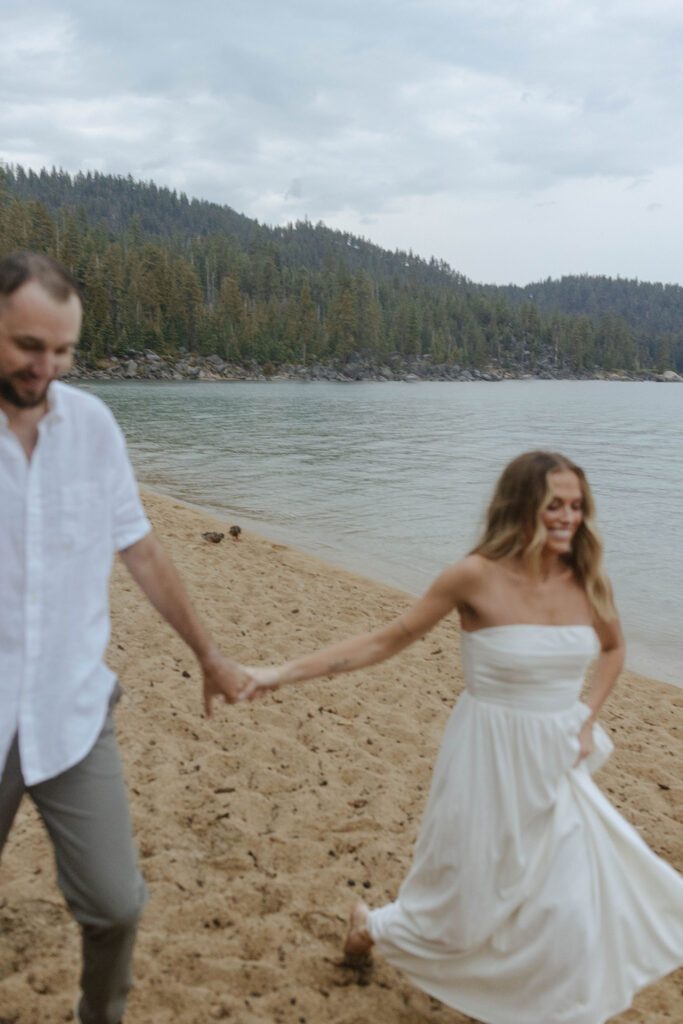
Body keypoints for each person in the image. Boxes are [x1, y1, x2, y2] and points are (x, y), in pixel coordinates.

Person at [242, 450, 683, 1024]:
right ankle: (372, 925)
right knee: (465, 904)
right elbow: (384, 641)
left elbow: (615, 648)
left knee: (571, 905)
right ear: (522, 505)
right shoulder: (473, 576)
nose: (568, 518)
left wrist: (589, 716)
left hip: (557, 759)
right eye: (555, 505)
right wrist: (277, 674)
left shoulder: (587, 577)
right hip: (487, 756)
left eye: (577, 506)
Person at [0, 251, 247, 1024]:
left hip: (73, 714)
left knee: (116, 907)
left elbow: (140, 549)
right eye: (28, 346)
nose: (46, 367)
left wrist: (208, 654)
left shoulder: (93, 428)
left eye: (63, 350)